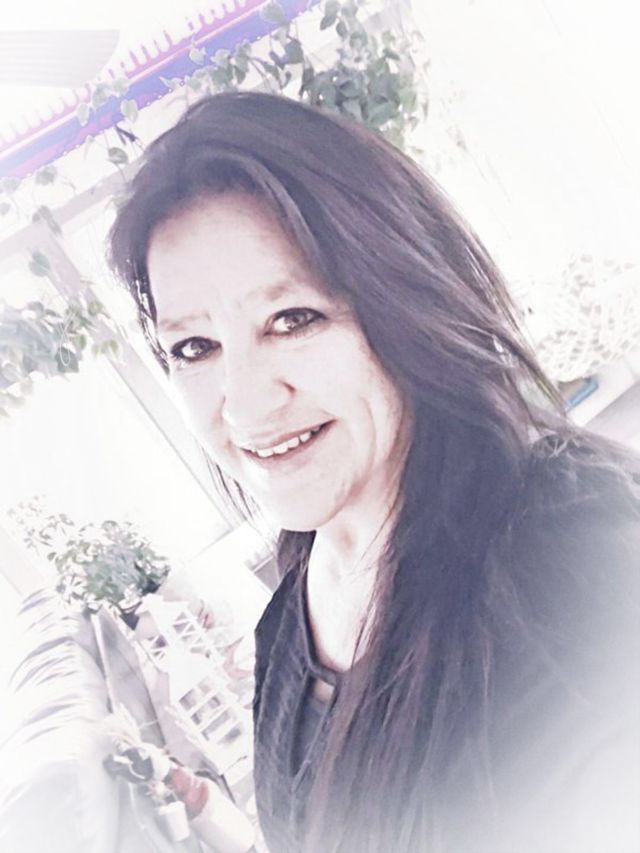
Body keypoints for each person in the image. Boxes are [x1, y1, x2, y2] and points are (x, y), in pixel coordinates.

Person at [108, 91, 640, 853]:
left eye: (293, 319)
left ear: (407, 301)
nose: (246, 404)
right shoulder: (291, 614)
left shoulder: (576, 565)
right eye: (195, 347)